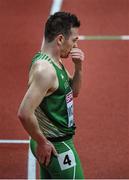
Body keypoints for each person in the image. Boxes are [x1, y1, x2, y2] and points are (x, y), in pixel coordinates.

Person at [18, 11, 85, 179]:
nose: (75, 46)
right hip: (56, 146)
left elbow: (74, 91)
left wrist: (79, 68)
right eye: (74, 40)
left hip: (50, 141)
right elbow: (24, 113)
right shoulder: (46, 71)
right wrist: (42, 142)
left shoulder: (53, 61)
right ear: (60, 39)